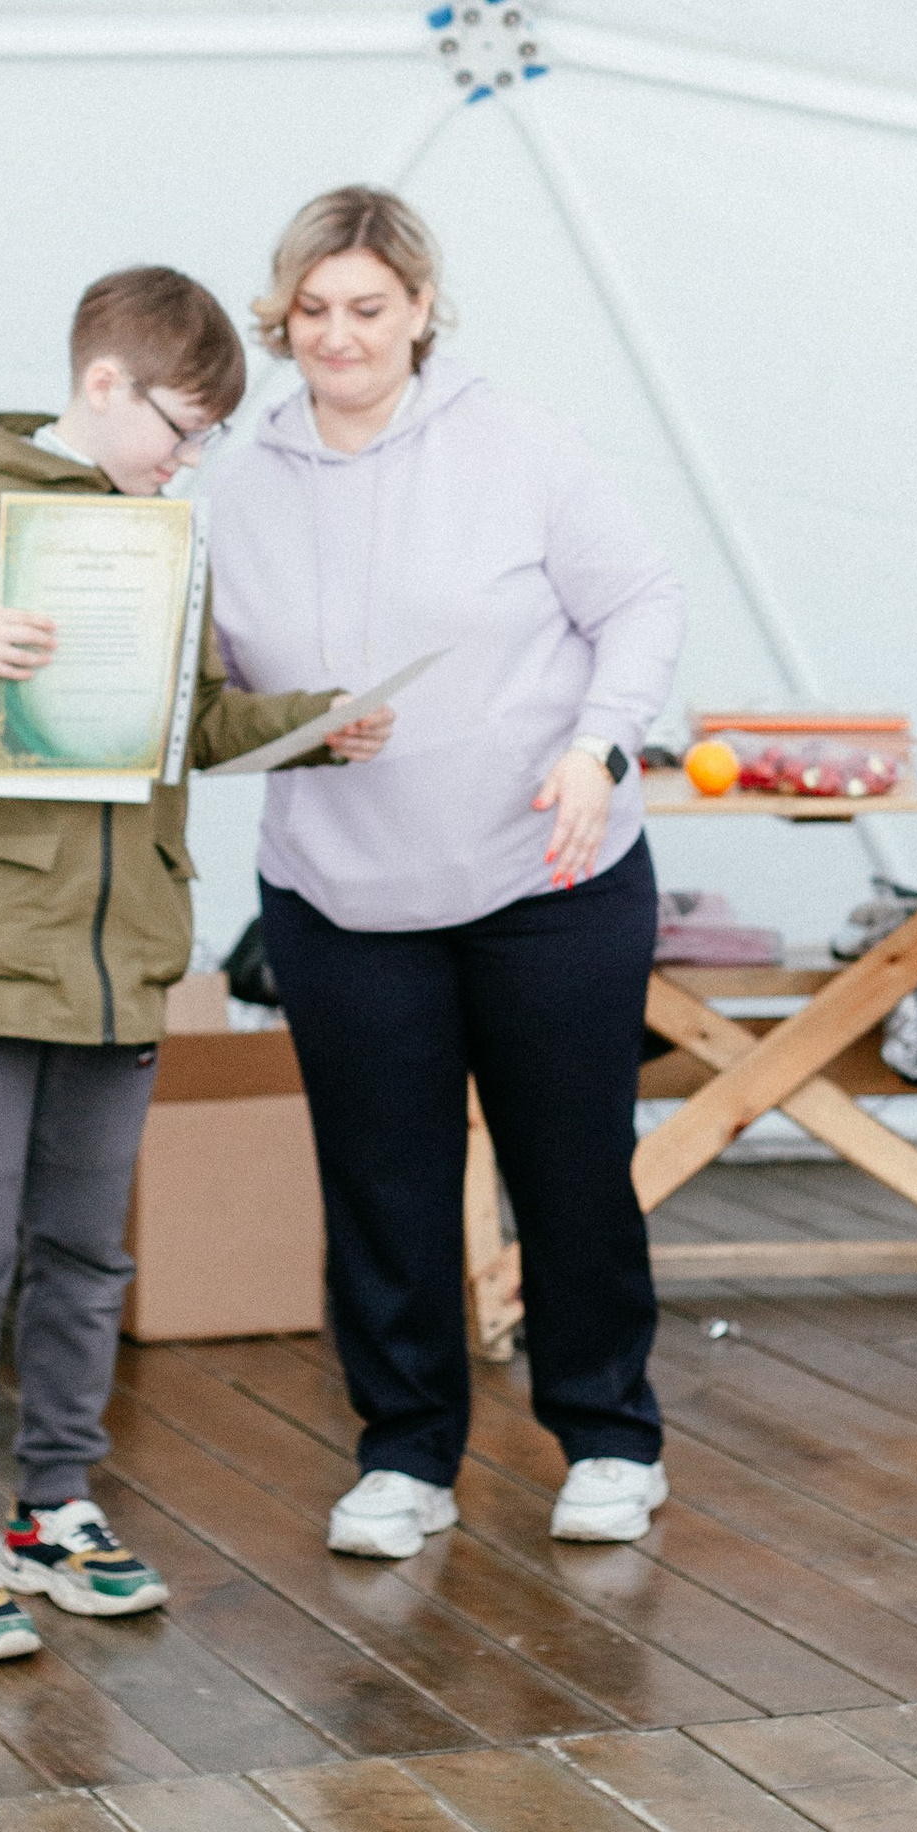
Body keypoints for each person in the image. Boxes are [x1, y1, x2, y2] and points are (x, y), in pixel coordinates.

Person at [0, 264, 391, 1666]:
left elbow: (194, 723)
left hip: (120, 955)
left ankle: (56, 1513)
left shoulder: (170, 541)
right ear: (102, 385)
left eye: (207, 438)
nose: (188, 457)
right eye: (179, 427)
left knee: (86, 1256)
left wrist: (321, 724)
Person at [206, 186, 684, 1556]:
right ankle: (405, 1454)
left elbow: (641, 601)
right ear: (281, 319)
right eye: (315, 311)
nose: (342, 336)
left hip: (550, 880)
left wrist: (599, 749)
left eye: (369, 307)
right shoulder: (239, 488)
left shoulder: (520, 444)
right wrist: (279, 730)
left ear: (421, 308)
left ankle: (607, 1435)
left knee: (571, 1168)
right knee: (382, 1181)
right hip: (342, 896)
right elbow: (218, 692)